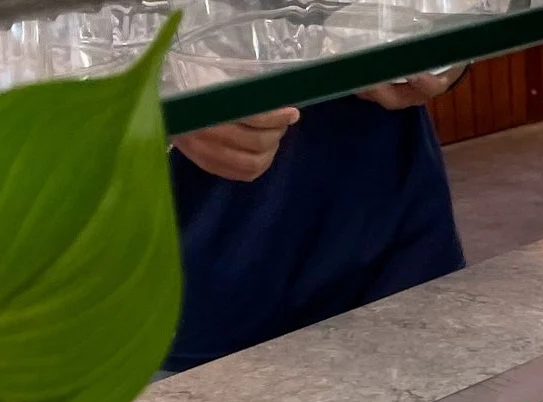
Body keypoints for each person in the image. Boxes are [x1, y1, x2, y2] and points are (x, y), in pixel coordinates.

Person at [164, 71, 467, 372]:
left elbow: (449, 50)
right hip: (206, 281)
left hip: (402, 241)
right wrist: (165, 107)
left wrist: (445, 60)